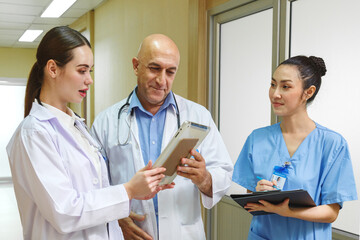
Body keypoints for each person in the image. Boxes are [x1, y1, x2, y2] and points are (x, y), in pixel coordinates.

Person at [6, 26, 172, 240]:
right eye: (82, 70)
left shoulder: (77, 127)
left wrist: (130, 195)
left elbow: (91, 195)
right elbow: (65, 212)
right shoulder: (34, 133)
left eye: (90, 71)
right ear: (53, 69)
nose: (89, 80)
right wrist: (128, 190)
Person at [91, 34, 234, 240]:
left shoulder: (198, 115)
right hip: (129, 234)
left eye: (170, 72)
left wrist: (204, 179)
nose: (162, 80)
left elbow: (223, 172)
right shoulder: (106, 121)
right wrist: (116, 219)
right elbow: (94, 186)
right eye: (154, 68)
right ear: (136, 66)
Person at [232, 55, 357, 239]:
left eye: (285, 86)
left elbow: (331, 212)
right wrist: (257, 192)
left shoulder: (332, 144)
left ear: (308, 92)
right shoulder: (257, 139)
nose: (275, 93)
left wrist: (288, 211)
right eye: (273, 84)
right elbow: (251, 199)